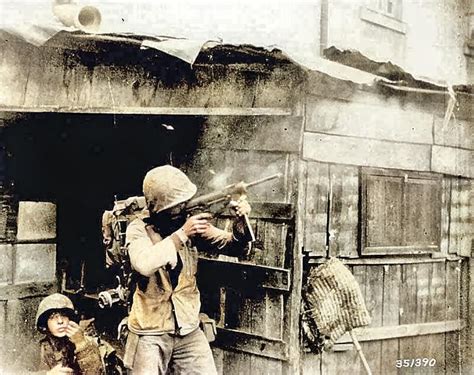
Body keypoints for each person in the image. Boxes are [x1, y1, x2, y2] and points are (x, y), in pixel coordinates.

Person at [123, 165, 252, 374]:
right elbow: (144, 264)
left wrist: (240, 222)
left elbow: (234, 246)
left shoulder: (186, 224)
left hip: (188, 327)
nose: (185, 207)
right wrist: (182, 234)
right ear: (161, 208)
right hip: (150, 331)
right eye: (178, 204)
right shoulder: (138, 229)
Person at [34, 293, 104, 374]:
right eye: (52, 317)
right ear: (45, 324)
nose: (60, 321)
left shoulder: (87, 343)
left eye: (64, 315)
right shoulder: (37, 349)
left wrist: (81, 344)